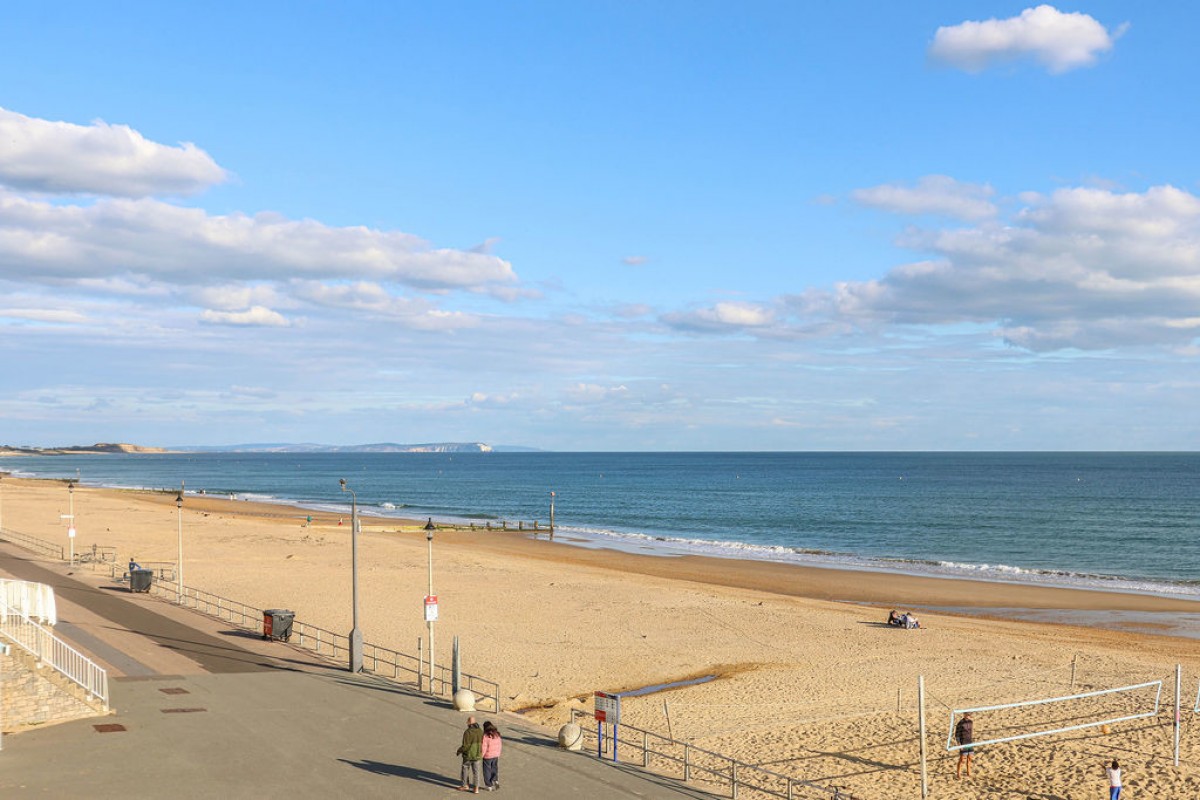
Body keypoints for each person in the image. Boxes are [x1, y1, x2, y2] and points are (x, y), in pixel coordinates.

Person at [456, 716, 483, 793]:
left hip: (468, 755)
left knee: (465, 769)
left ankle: (465, 785)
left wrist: (459, 751)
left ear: (469, 722)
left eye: (467, 721)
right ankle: (476, 788)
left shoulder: (467, 732)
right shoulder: (480, 731)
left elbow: (465, 746)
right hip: (477, 755)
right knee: (476, 772)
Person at [481, 720, 503, 791]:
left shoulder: (485, 736)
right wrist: (498, 753)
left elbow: (484, 747)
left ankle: (488, 785)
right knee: (494, 768)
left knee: (487, 770)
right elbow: (500, 745)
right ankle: (495, 779)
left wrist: (481, 755)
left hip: (488, 756)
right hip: (496, 755)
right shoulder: (497, 734)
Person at [955, 712, 974, 778]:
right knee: (962, 759)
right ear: (964, 714)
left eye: (970, 715)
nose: (969, 716)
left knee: (970, 758)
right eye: (968, 714)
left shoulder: (971, 722)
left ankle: (969, 772)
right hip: (963, 742)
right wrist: (959, 744)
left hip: (970, 742)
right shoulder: (960, 723)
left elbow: (971, 732)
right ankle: (958, 773)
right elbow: (957, 735)